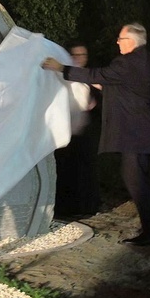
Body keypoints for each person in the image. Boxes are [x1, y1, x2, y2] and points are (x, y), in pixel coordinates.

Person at [42, 23, 150, 246]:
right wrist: (102, 85)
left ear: (132, 41)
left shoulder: (127, 62)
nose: (117, 42)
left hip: (134, 135)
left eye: (121, 39)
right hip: (142, 133)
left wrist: (62, 68)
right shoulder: (146, 62)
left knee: (136, 182)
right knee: (137, 180)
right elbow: (124, 88)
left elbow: (99, 74)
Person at [54, 41, 101, 217]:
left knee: (87, 169)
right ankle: (66, 209)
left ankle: (88, 206)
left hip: (85, 131)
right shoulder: (62, 76)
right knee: (67, 170)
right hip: (66, 132)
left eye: (83, 55)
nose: (79, 59)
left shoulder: (90, 77)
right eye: (76, 55)